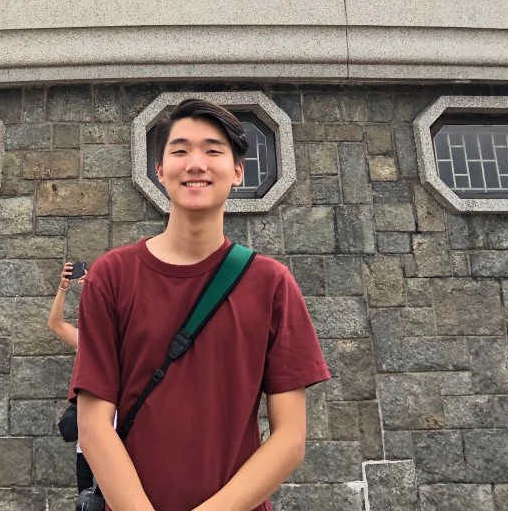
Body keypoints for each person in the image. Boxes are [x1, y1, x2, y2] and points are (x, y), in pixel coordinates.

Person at [73, 97, 330, 511]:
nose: (196, 164)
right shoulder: (112, 277)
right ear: (159, 170)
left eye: (213, 151)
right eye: (179, 150)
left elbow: (290, 438)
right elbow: (93, 424)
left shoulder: (271, 285)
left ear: (237, 171)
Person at [47, 262, 95, 494]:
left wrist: (93, 288)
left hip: (118, 439)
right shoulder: (86, 342)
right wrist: (63, 288)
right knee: (85, 498)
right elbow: (55, 324)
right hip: (86, 442)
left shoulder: (125, 344)